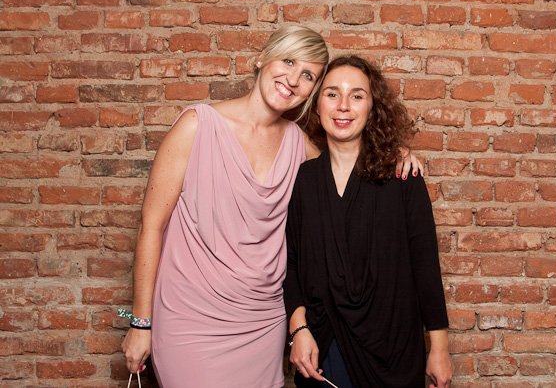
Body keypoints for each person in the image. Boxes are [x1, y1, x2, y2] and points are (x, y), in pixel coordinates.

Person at [120, 25, 421, 387]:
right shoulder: (197, 127)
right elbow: (151, 226)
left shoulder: (298, 144)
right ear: (262, 58)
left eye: (308, 75)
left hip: (264, 322)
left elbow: (348, 161)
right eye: (288, 61)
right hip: (191, 319)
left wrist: (394, 153)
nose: (293, 80)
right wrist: (141, 323)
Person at [284, 55, 453, 388]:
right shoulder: (303, 180)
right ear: (317, 104)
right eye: (332, 94)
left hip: (393, 350)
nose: (343, 106)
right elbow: (289, 263)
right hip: (322, 348)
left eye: (357, 95)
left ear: (373, 108)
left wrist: (439, 348)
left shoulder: (402, 176)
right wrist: (298, 329)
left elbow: (425, 266)